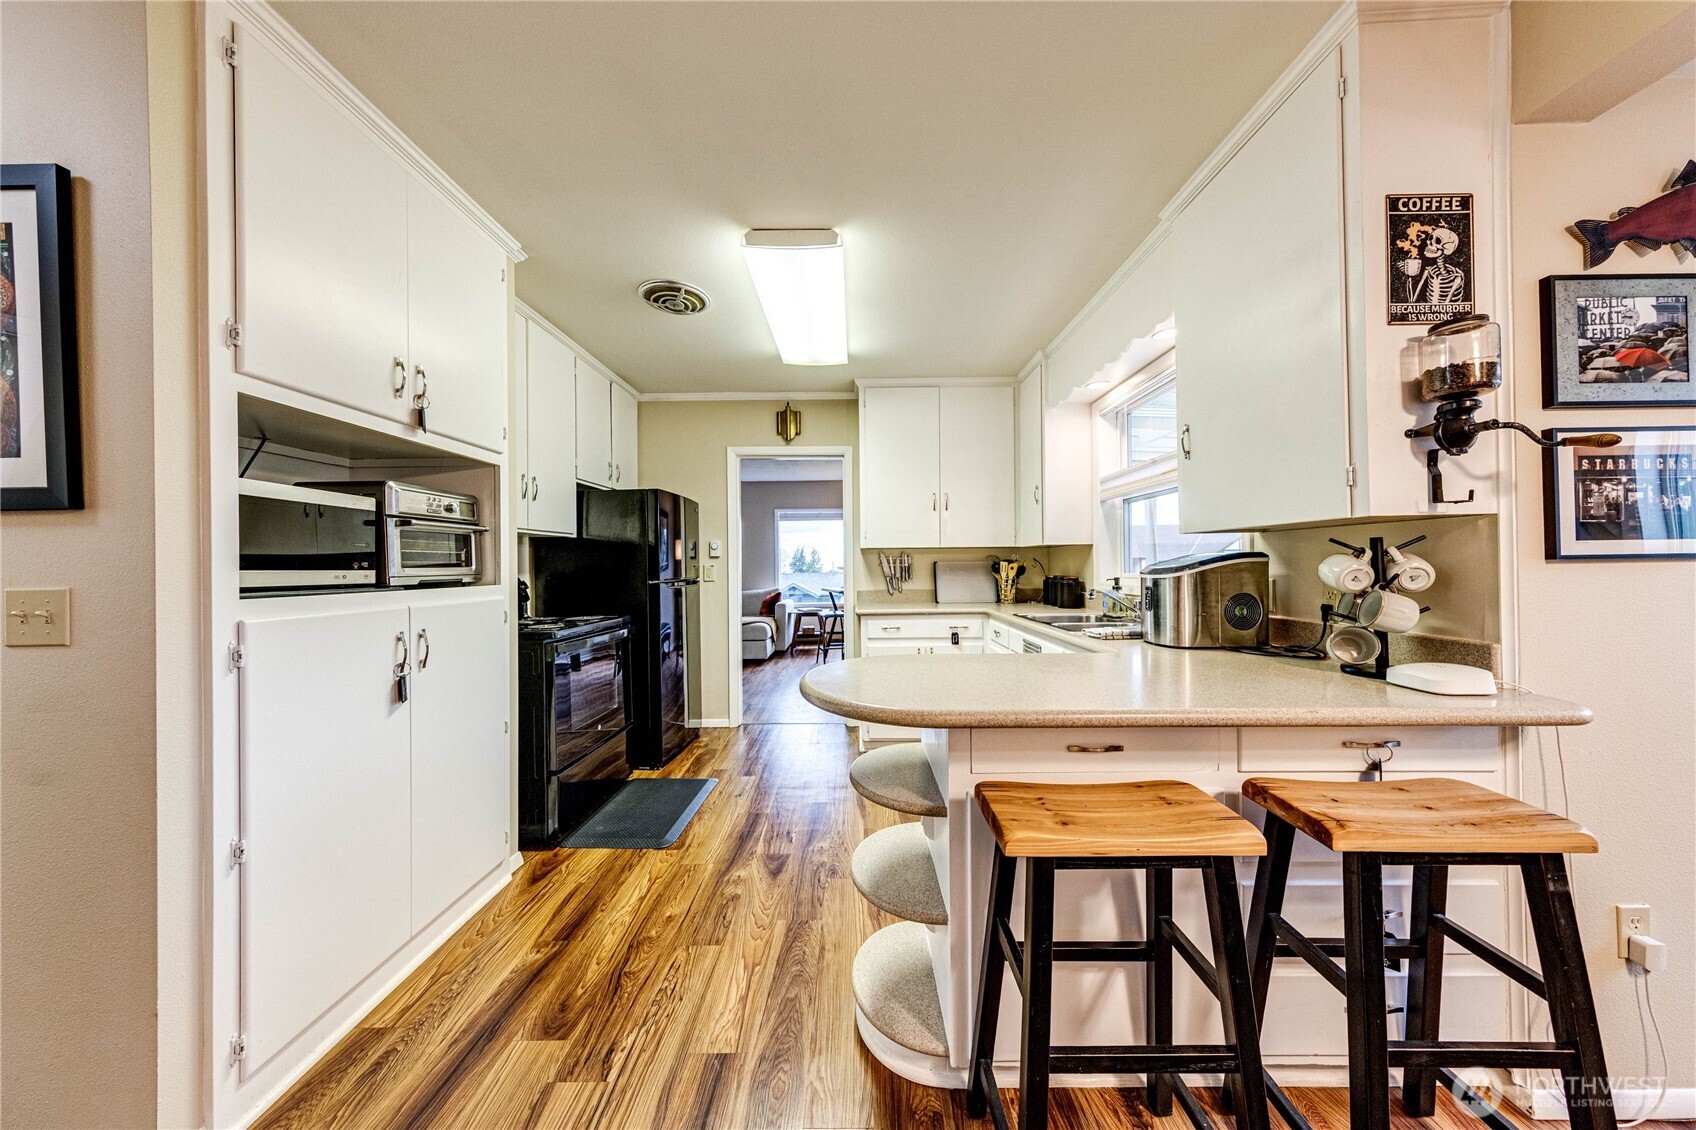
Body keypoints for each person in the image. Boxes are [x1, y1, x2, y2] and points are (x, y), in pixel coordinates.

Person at [1410, 226, 1466, 305]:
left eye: (1437, 241)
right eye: (1430, 238)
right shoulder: (1429, 270)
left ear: (1447, 247)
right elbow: (1413, 300)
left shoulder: (1457, 277)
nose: (1428, 243)